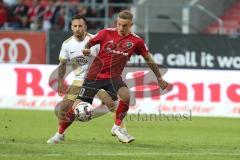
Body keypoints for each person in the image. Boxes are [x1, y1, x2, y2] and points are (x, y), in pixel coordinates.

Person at [72, 10, 171, 143]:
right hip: (94, 76)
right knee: (79, 109)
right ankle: (60, 131)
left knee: (126, 96)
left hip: (114, 77)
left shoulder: (136, 41)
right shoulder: (105, 33)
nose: (121, 28)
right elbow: (89, 43)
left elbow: (149, 59)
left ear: (131, 25)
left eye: (125, 26)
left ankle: (117, 127)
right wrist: (86, 49)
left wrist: (159, 78)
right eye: (119, 24)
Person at [47, 14, 126, 144]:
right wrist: (61, 81)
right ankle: (60, 134)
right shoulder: (67, 44)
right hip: (79, 79)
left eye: (80, 26)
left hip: (97, 78)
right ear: (71, 27)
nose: (77, 29)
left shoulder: (95, 40)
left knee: (110, 103)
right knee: (64, 108)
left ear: (85, 27)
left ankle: (121, 130)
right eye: (75, 26)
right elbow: (62, 65)